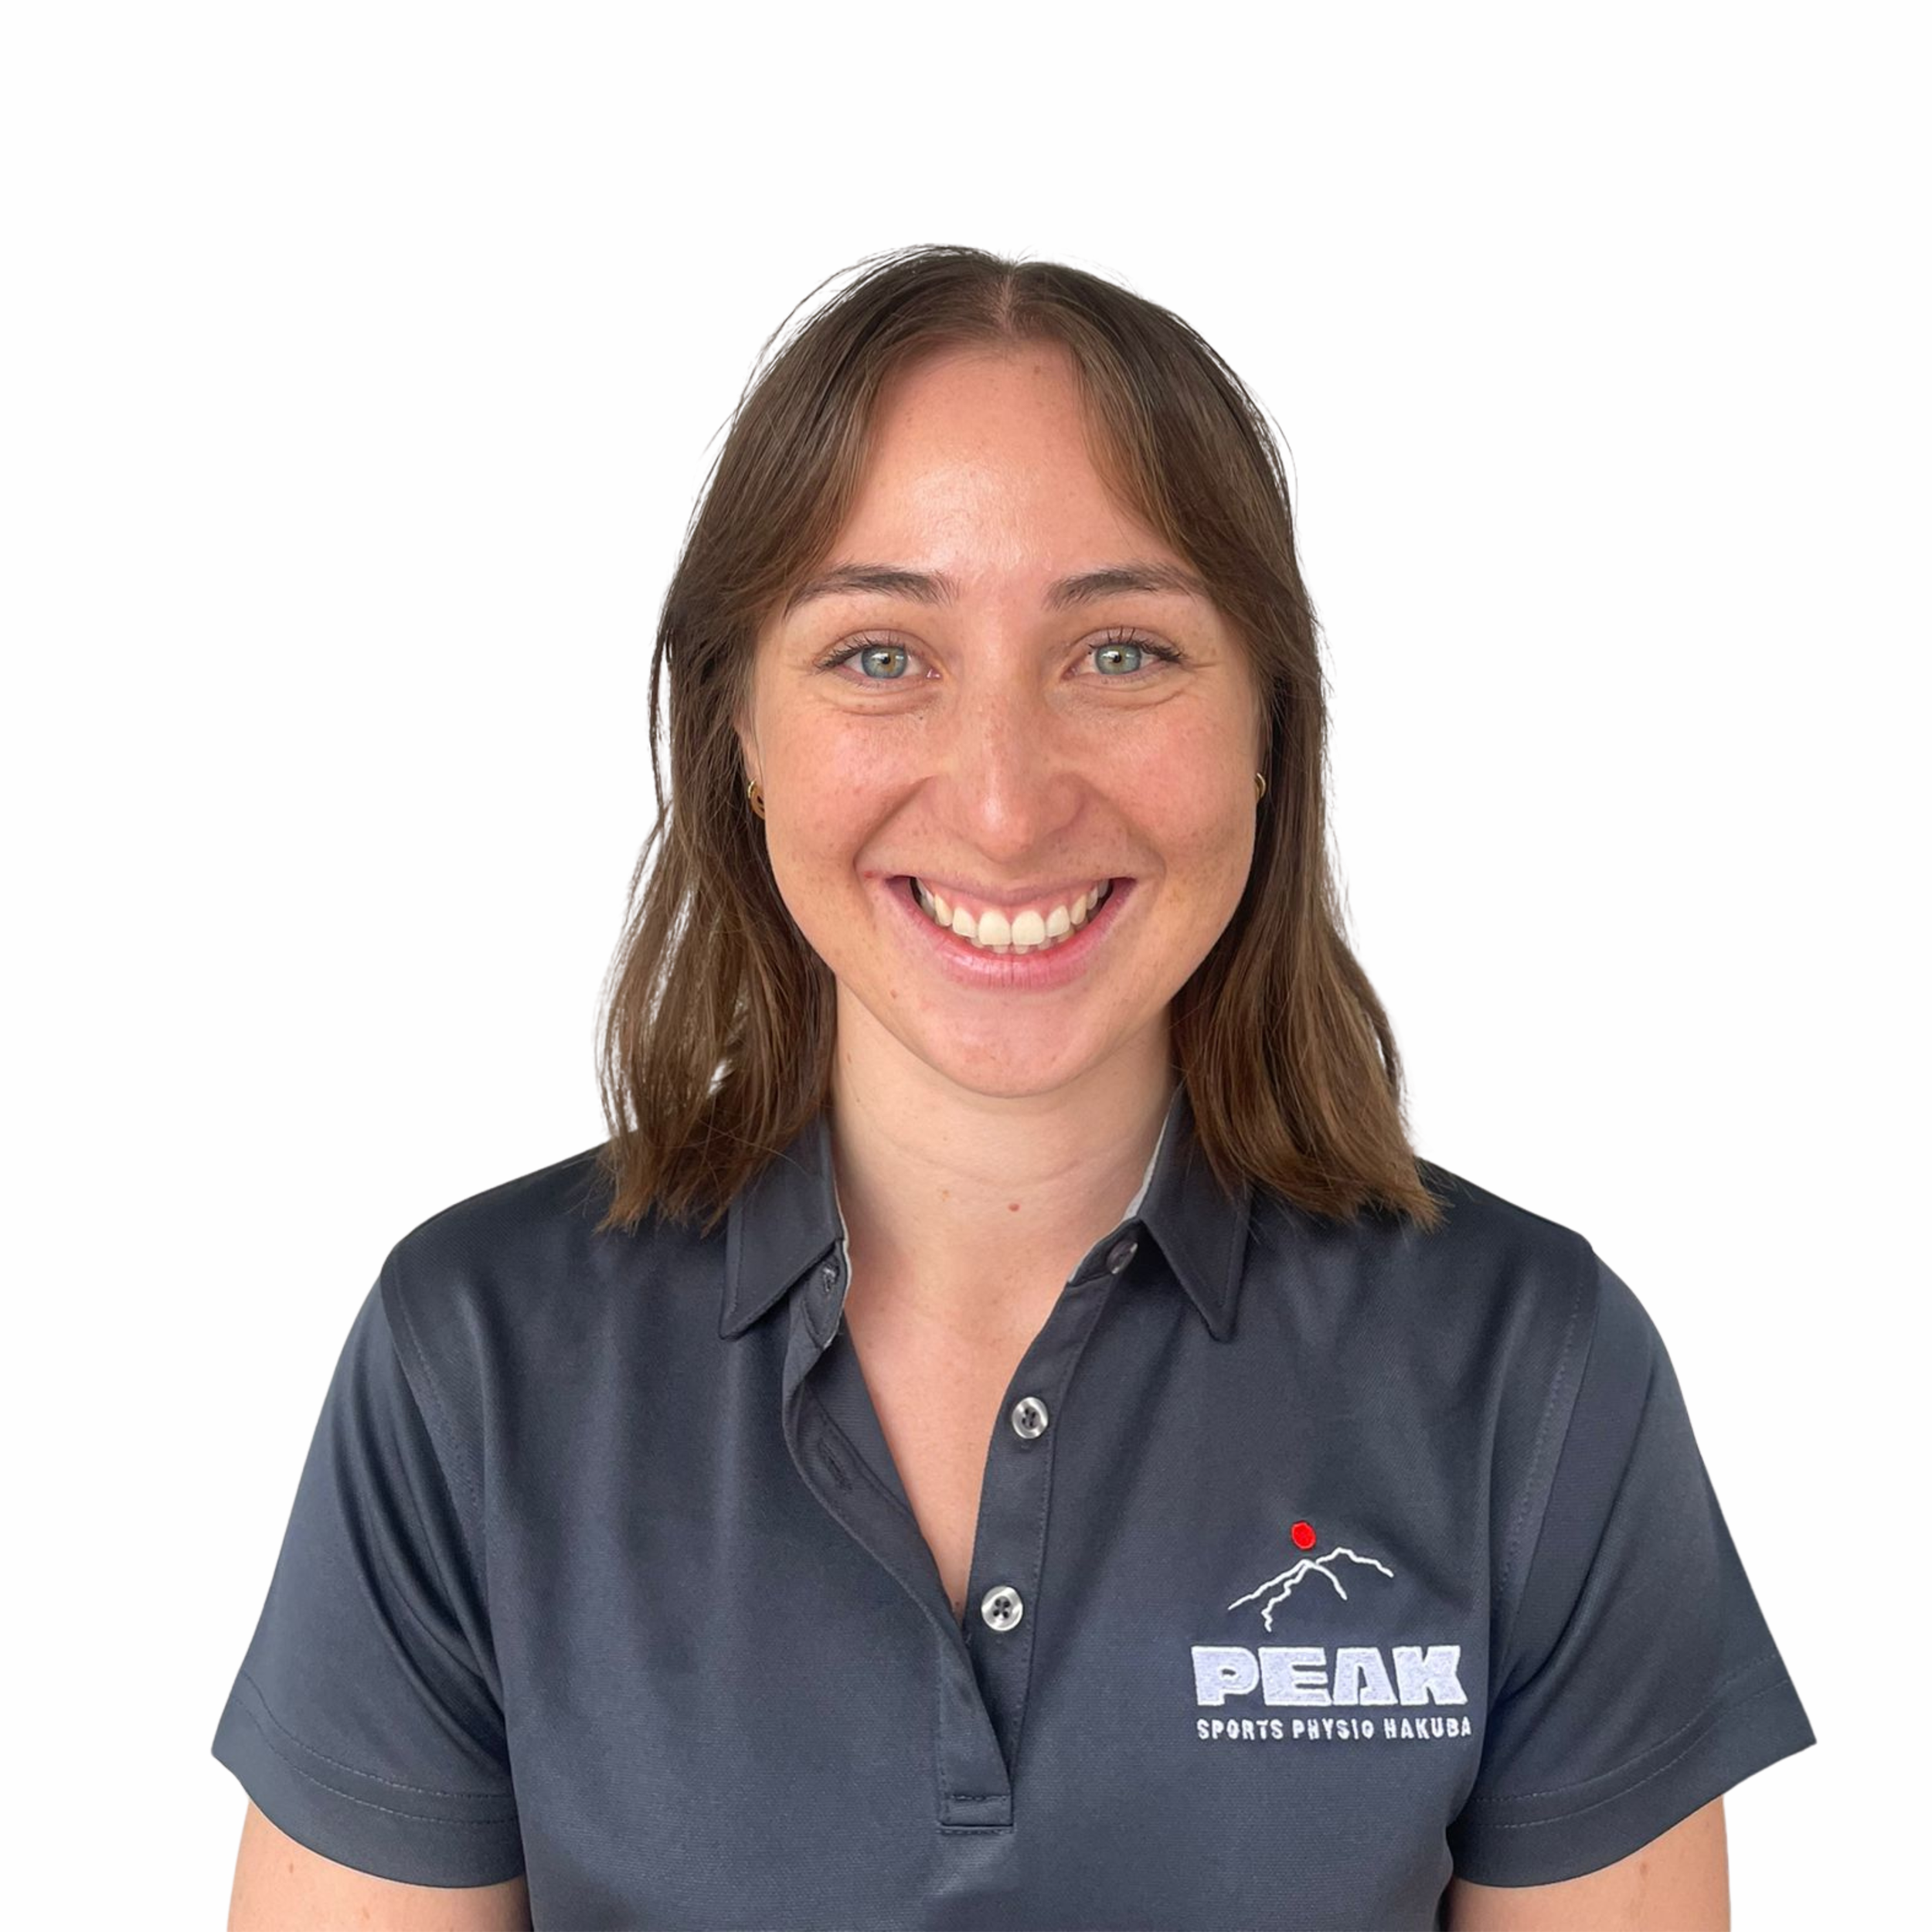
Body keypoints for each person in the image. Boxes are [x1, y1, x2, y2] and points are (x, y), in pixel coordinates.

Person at [213, 245, 1815, 1930]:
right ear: (736, 730)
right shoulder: (469, 1365)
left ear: (1268, 725)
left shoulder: (1530, 1376)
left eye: (1119, 652)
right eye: (880, 654)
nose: (1000, 804)